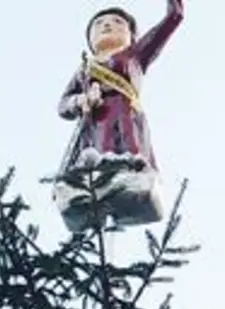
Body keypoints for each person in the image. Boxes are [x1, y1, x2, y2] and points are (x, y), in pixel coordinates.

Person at [52, 1, 186, 230]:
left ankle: (132, 182)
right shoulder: (85, 68)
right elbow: (63, 105)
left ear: (132, 36)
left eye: (117, 23)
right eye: (99, 24)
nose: (107, 26)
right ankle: (92, 188)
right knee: (95, 152)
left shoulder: (135, 55)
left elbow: (173, 19)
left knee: (127, 148)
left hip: (125, 113)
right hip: (94, 121)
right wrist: (81, 101)